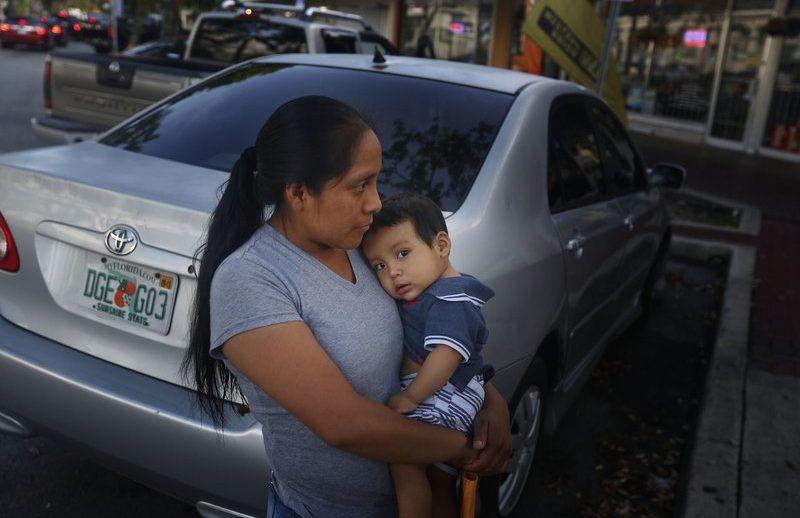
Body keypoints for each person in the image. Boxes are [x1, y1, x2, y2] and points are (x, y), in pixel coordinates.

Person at [182, 95, 512, 518]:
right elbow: (345, 425)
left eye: (376, 181)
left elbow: (445, 319)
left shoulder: (367, 243)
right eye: (360, 185)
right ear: (299, 193)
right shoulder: (251, 279)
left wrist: (490, 401)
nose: (375, 202)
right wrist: (468, 448)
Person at [361, 195, 494, 518]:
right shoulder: (434, 293)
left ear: (442, 245)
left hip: (441, 396)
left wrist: (411, 397)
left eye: (403, 254)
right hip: (449, 396)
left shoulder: (448, 298)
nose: (393, 271)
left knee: (404, 461)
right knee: (440, 477)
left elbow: (447, 355)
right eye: (379, 265)